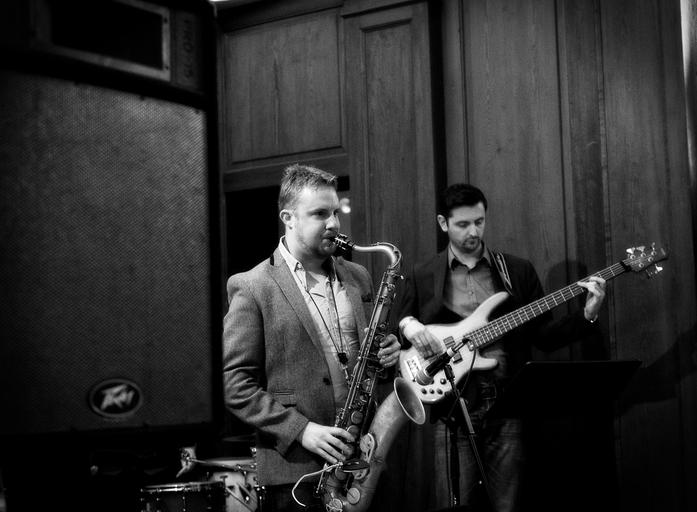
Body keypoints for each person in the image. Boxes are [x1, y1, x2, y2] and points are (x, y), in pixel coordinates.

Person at [395, 183, 607, 512]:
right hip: (453, 406)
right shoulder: (423, 274)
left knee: (507, 505)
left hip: (507, 402)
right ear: (443, 223)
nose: (473, 231)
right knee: (454, 505)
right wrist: (410, 325)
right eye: (463, 224)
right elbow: (398, 326)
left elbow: (544, 337)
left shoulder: (516, 271)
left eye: (479, 222)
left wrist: (586, 315)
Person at [222, 163, 402, 511]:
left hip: (362, 463)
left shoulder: (358, 276)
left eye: (335, 212)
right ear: (288, 218)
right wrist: (302, 430)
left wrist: (387, 357)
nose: (333, 223)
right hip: (296, 473)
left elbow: (369, 364)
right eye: (320, 213)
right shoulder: (252, 286)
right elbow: (235, 386)